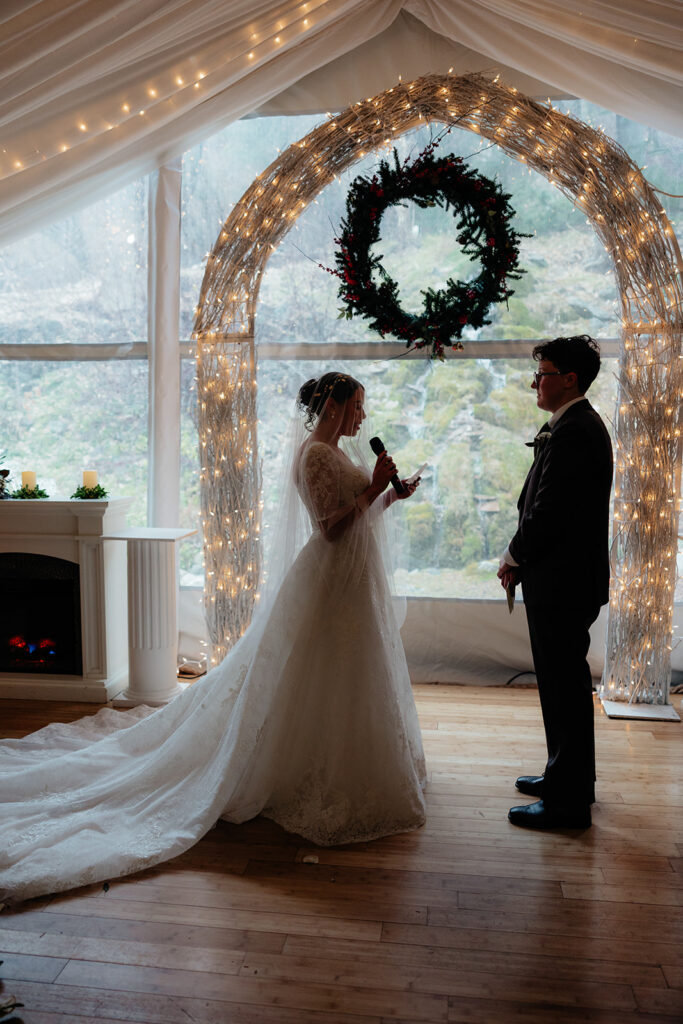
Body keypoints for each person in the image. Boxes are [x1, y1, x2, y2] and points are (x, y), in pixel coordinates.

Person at [0, 372, 426, 904]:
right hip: (329, 581)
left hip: (351, 582)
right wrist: (374, 487)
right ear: (334, 406)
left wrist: (389, 496)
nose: (363, 416)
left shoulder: (336, 451)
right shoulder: (316, 454)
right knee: (319, 672)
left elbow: (357, 518)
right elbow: (331, 528)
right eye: (357, 405)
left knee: (349, 674)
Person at [498, 335, 613, 830]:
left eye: (541, 374)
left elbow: (548, 512)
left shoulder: (575, 431)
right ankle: (566, 779)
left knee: (564, 689)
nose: (534, 384)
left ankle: (567, 805)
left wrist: (513, 555)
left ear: (569, 379)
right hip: (565, 579)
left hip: (563, 582)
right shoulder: (572, 425)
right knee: (561, 687)